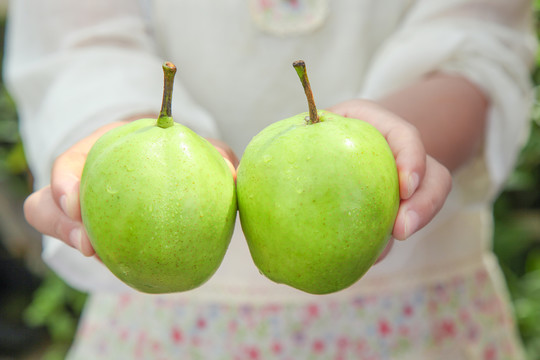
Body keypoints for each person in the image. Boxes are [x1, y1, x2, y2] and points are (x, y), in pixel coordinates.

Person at [4, 0, 537, 359]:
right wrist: (128, 136)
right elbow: (76, 40)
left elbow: (478, 35)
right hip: (163, 328)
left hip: (421, 315)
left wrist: (399, 149)